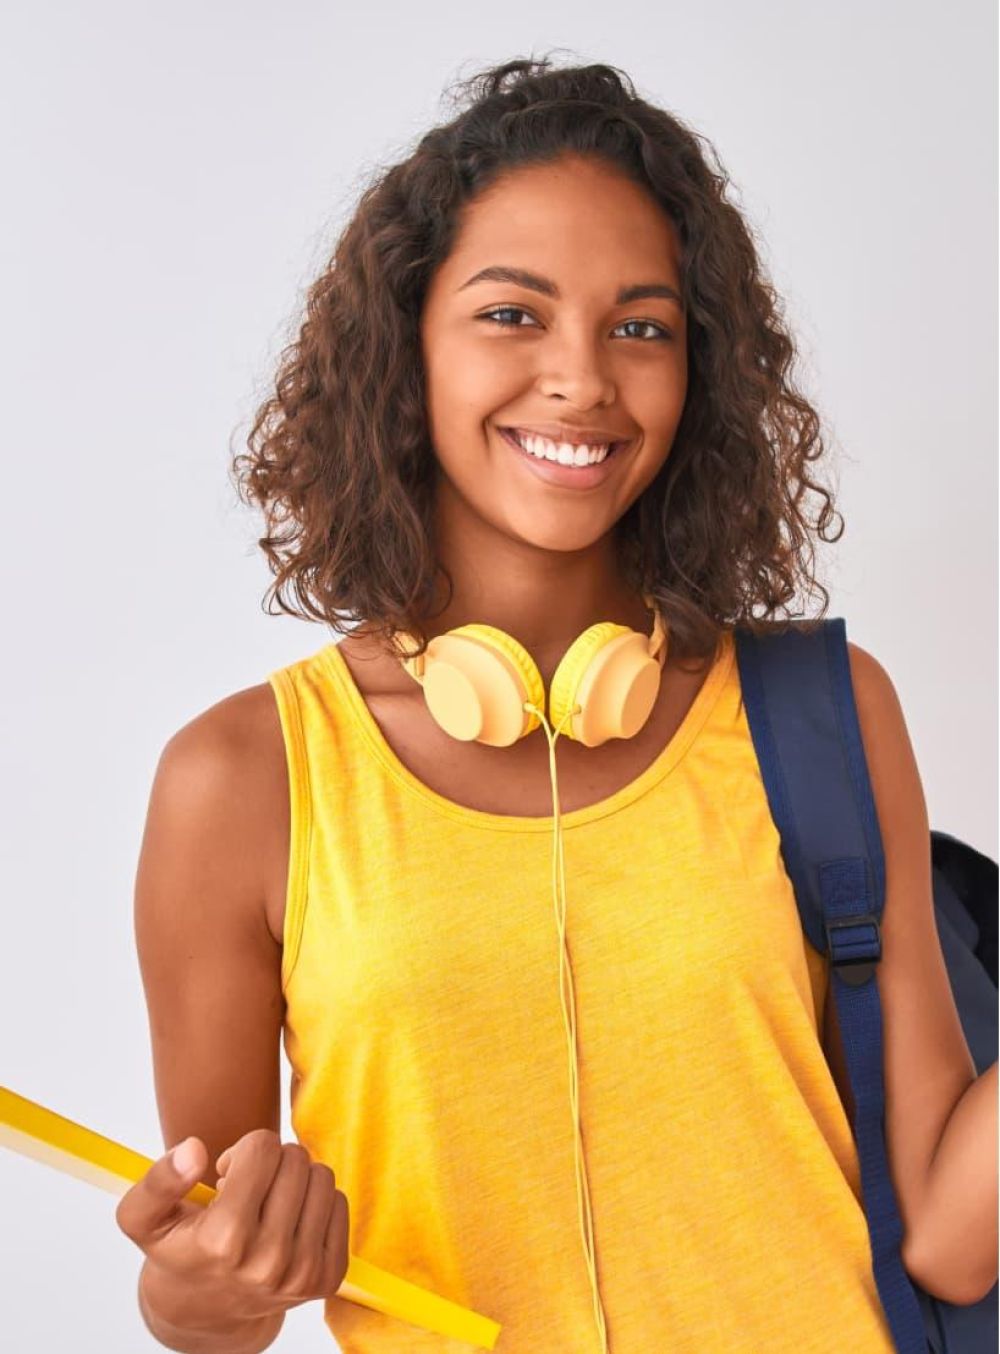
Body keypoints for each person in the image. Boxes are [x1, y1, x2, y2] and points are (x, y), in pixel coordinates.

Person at [113, 53, 983, 1354]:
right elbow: (213, 1278)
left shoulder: (826, 714)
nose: (580, 377)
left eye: (641, 325)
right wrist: (198, 1283)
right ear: (404, 344)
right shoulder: (241, 780)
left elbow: (952, 1243)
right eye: (512, 313)